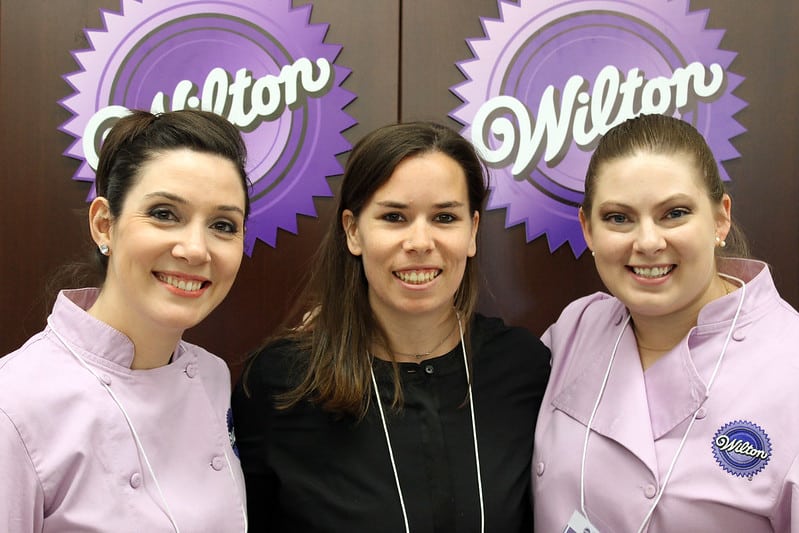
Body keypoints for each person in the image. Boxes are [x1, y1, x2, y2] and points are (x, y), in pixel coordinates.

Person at [232, 121, 551, 532]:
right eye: (395, 217)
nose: (420, 242)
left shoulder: (522, 367)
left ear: (472, 232)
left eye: (444, 217)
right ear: (353, 231)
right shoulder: (281, 383)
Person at [533, 113, 799, 532]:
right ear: (587, 229)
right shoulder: (575, 329)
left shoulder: (789, 363)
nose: (648, 242)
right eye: (618, 218)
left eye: (674, 213)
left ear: (720, 218)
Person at [0, 110, 251, 532]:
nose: (195, 249)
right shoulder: (15, 405)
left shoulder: (211, 376)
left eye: (223, 225)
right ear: (104, 225)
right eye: (165, 213)